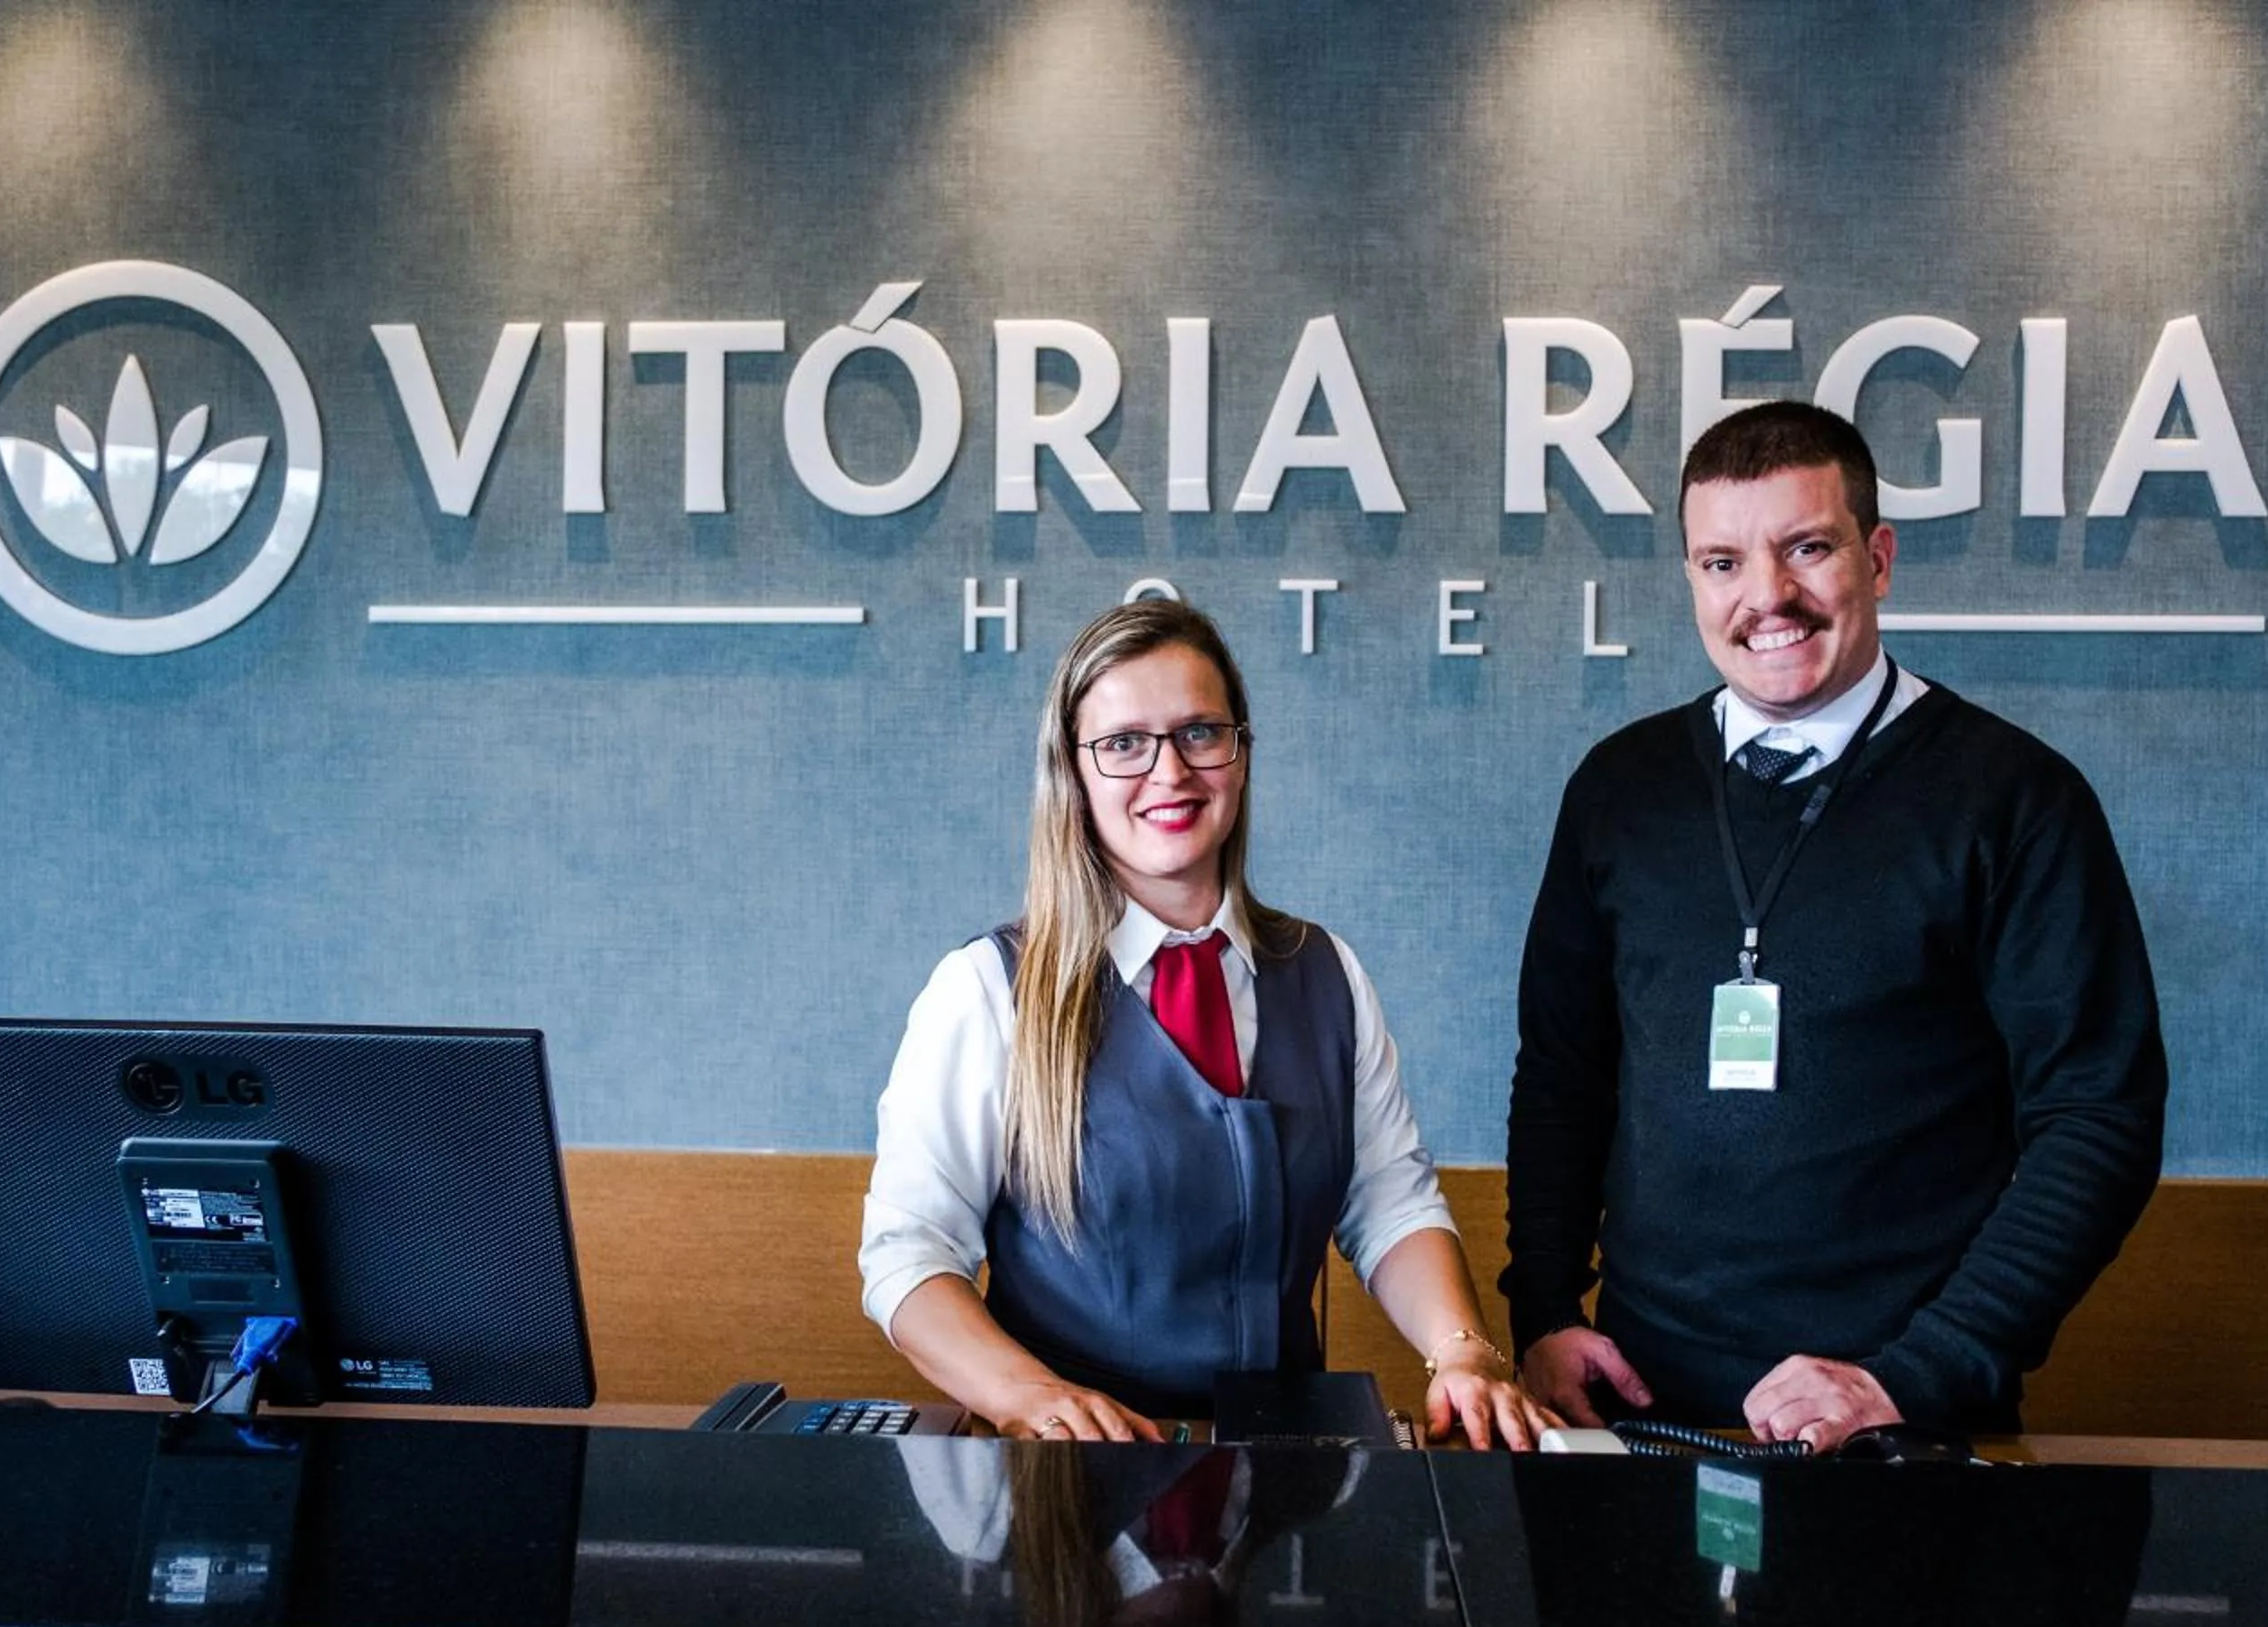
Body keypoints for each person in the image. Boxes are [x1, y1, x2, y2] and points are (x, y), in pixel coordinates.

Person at [1504, 400, 2168, 1452]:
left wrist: (1921, 1368)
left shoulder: (2015, 798)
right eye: (1721, 562)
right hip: (1640, 1413)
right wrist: (1541, 1306)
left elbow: (2099, 1116)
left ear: (1880, 557)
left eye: (1807, 548)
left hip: (1902, 1424)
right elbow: (1562, 1074)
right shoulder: (1619, 790)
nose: (1767, 597)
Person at [861, 597, 1548, 1449]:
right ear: (1071, 774)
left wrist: (1464, 1353)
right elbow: (909, 1255)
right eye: (1122, 744)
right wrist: (1030, 1397)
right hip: (1065, 1482)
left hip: (1285, 1487)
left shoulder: (1326, 972)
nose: (1170, 772)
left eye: (1199, 733)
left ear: (1242, 753)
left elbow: (1391, 1204)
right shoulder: (985, 990)